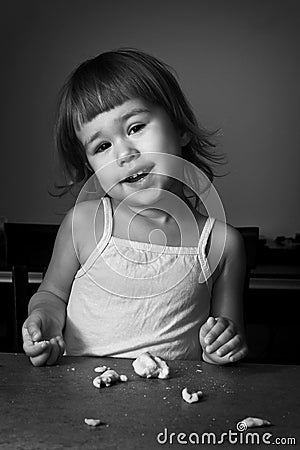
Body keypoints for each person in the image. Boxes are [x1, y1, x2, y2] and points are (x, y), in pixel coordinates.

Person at [22, 48, 248, 366]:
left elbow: (226, 335)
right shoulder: (83, 225)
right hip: (80, 405)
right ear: (90, 168)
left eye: (135, 127)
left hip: (175, 407)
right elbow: (52, 296)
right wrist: (43, 319)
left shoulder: (222, 245)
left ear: (181, 128)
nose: (124, 153)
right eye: (102, 146)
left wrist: (223, 344)